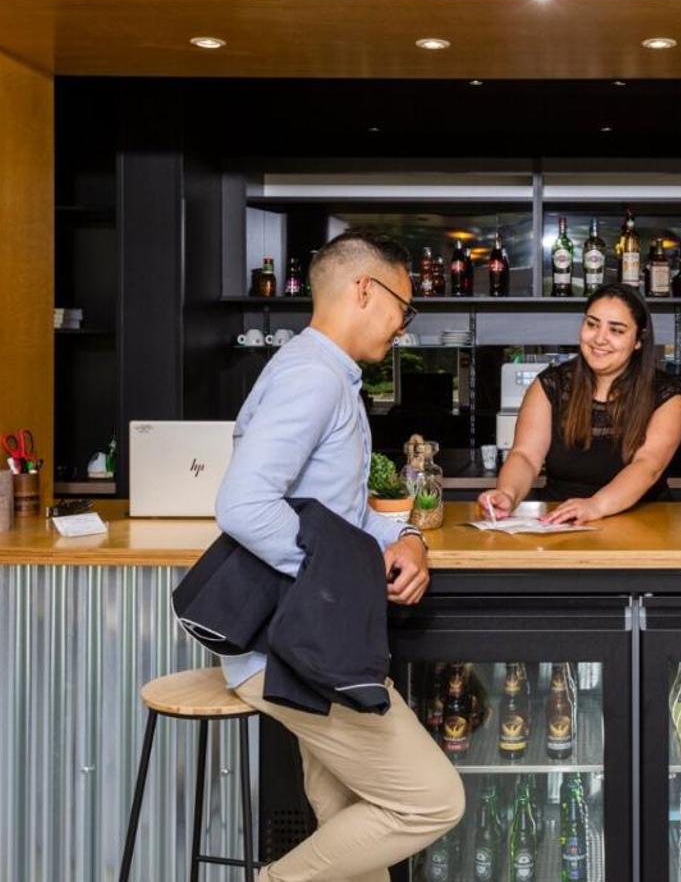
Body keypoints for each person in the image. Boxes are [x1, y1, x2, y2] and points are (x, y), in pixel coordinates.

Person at [214, 230, 463, 882]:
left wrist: (408, 538)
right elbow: (243, 505)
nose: (404, 327)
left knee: (346, 816)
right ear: (363, 289)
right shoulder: (313, 379)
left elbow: (333, 514)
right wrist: (344, 572)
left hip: (304, 641)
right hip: (294, 649)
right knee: (431, 800)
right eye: (404, 308)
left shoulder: (321, 372)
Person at [478, 282, 681, 527]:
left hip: (643, 526)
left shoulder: (665, 395)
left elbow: (648, 465)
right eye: (592, 324)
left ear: (638, 340)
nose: (599, 338)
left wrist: (596, 505)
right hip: (560, 524)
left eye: (616, 330)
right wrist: (508, 494)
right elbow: (526, 455)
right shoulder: (550, 385)